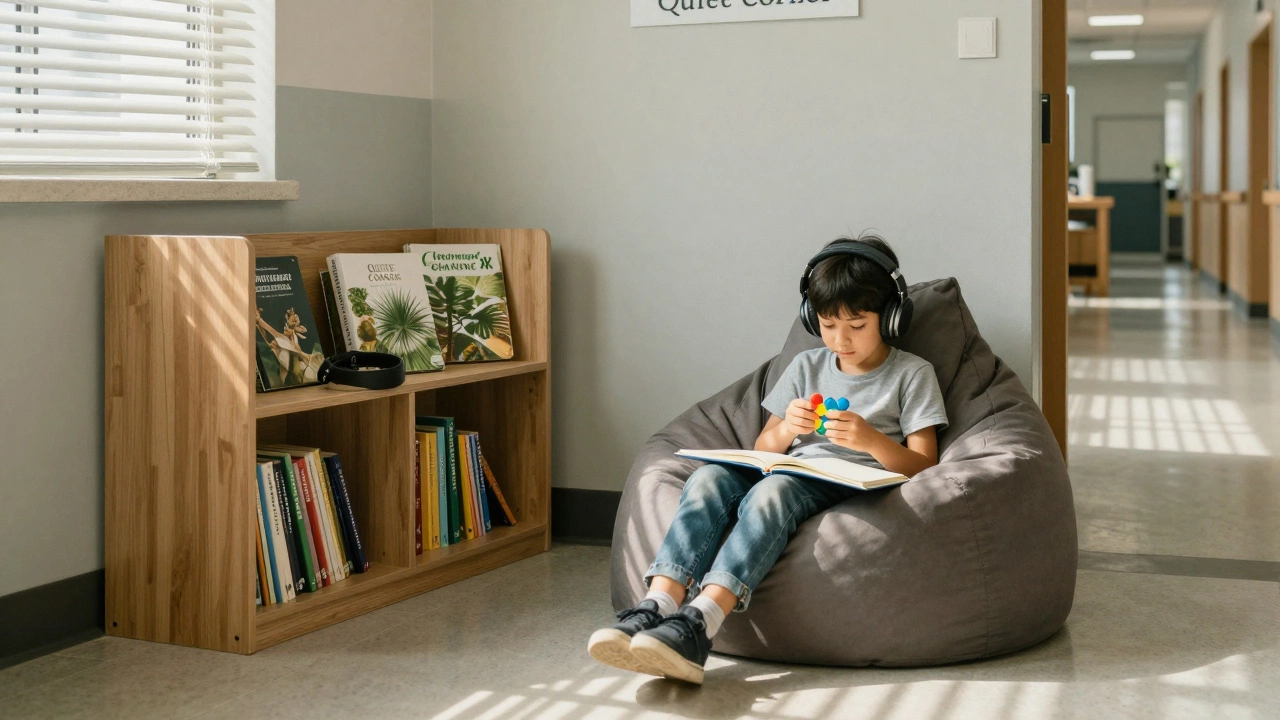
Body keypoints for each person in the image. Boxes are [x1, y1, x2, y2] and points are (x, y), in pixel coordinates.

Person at [587, 235, 949, 684]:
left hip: (849, 481)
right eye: (829, 325)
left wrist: (871, 440)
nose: (842, 339)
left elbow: (925, 465)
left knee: (772, 493)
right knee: (708, 480)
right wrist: (786, 430)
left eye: (856, 325)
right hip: (791, 466)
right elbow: (764, 446)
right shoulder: (805, 367)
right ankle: (656, 605)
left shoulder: (912, 374)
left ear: (891, 317)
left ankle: (701, 622)